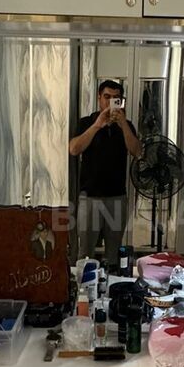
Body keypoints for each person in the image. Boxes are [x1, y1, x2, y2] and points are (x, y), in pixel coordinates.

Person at [69, 79, 142, 266]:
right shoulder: (86, 122)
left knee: (113, 253)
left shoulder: (126, 125)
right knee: (85, 252)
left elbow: (137, 152)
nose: (110, 102)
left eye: (115, 98)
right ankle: (84, 284)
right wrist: (97, 125)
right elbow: (74, 149)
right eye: (107, 97)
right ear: (99, 98)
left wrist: (123, 124)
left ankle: (111, 282)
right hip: (90, 197)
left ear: (121, 101)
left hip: (117, 197)